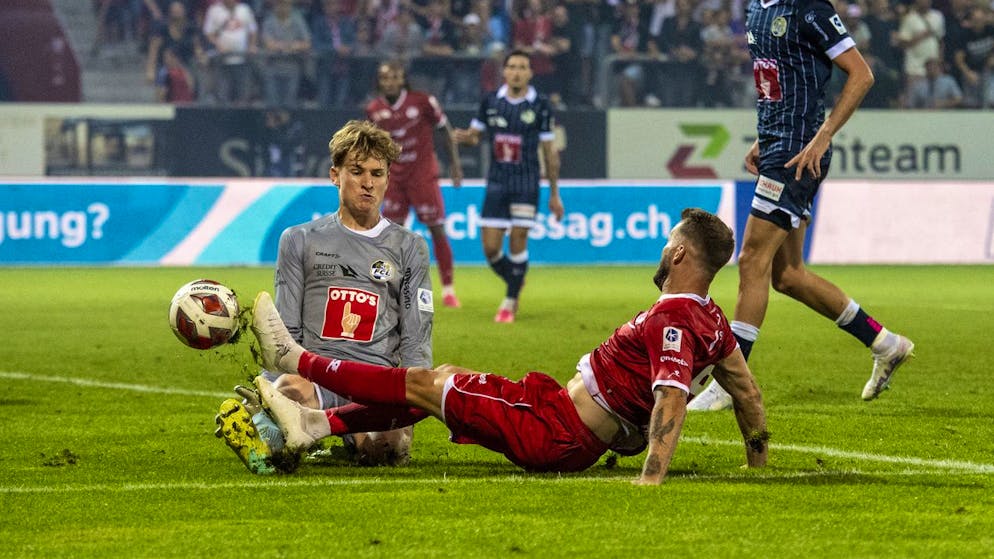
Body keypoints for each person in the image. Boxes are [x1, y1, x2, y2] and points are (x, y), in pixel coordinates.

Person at [250, 208, 769, 484]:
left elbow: (671, 399)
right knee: (441, 381)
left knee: (423, 383)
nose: (662, 248)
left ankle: (296, 360)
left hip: (554, 431)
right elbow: (747, 394)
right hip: (556, 416)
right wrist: (756, 463)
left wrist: (652, 477)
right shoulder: (713, 319)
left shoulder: (673, 316)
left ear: (678, 253)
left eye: (666, 242)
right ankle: (319, 425)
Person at [690, 0, 915, 412]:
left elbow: (862, 74)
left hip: (798, 153)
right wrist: (765, 135)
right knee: (788, 276)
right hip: (779, 144)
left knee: (751, 259)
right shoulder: (756, 10)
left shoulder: (808, 7)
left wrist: (825, 133)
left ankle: (730, 381)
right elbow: (778, 82)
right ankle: (886, 343)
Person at [215, 119, 435, 474]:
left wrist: (413, 390)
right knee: (290, 392)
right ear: (335, 174)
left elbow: (416, 332)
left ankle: (295, 436)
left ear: (388, 179)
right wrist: (273, 389)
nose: (368, 182)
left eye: (377, 173)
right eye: (357, 171)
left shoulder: (409, 246)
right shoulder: (300, 240)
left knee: (389, 450)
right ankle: (270, 430)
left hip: (374, 379)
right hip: (316, 375)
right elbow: (284, 332)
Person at [452, 49, 564, 323]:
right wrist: (462, 137)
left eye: (522, 67)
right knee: (490, 249)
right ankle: (516, 278)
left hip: (526, 181)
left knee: (518, 239)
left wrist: (554, 194)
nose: (516, 71)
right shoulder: (490, 102)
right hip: (497, 182)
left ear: (530, 72)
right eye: (511, 66)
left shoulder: (540, 105)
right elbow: (476, 137)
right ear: (504, 71)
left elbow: (549, 152)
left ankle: (509, 301)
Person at [366, 61, 465, 308]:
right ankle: (390, 290)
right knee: (391, 235)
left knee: (436, 228)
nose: (390, 82)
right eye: (385, 78)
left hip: (422, 176)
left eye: (394, 77)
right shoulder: (374, 109)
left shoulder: (422, 102)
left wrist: (454, 165)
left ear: (402, 80)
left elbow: (445, 130)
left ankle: (449, 290)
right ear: (380, 82)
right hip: (394, 179)